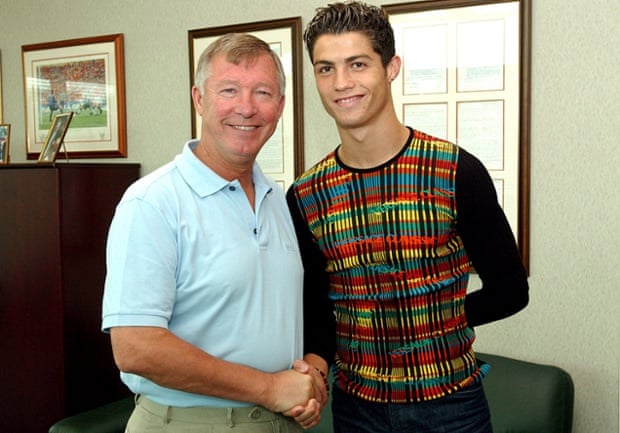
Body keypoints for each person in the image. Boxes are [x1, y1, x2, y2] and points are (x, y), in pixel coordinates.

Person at [286, 2, 529, 433]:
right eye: (326, 69)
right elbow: (318, 310)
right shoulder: (306, 195)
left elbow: (510, 291)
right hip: (356, 408)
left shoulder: (455, 171)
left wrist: (427, 320)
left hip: (452, 405)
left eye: (357, 64)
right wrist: (314, 368)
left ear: (391, 67)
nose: (341, 83)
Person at [102, 33, 327, 432]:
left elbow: (284, 313)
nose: (246, 107)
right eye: (228, 90)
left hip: (281, 421)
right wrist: (270, 388)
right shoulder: (152, 203)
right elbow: (135, 348)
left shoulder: (278, 199)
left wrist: (309, 381)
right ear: (199, 99)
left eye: (262, 92)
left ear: (280, 107)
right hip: (189, 422)